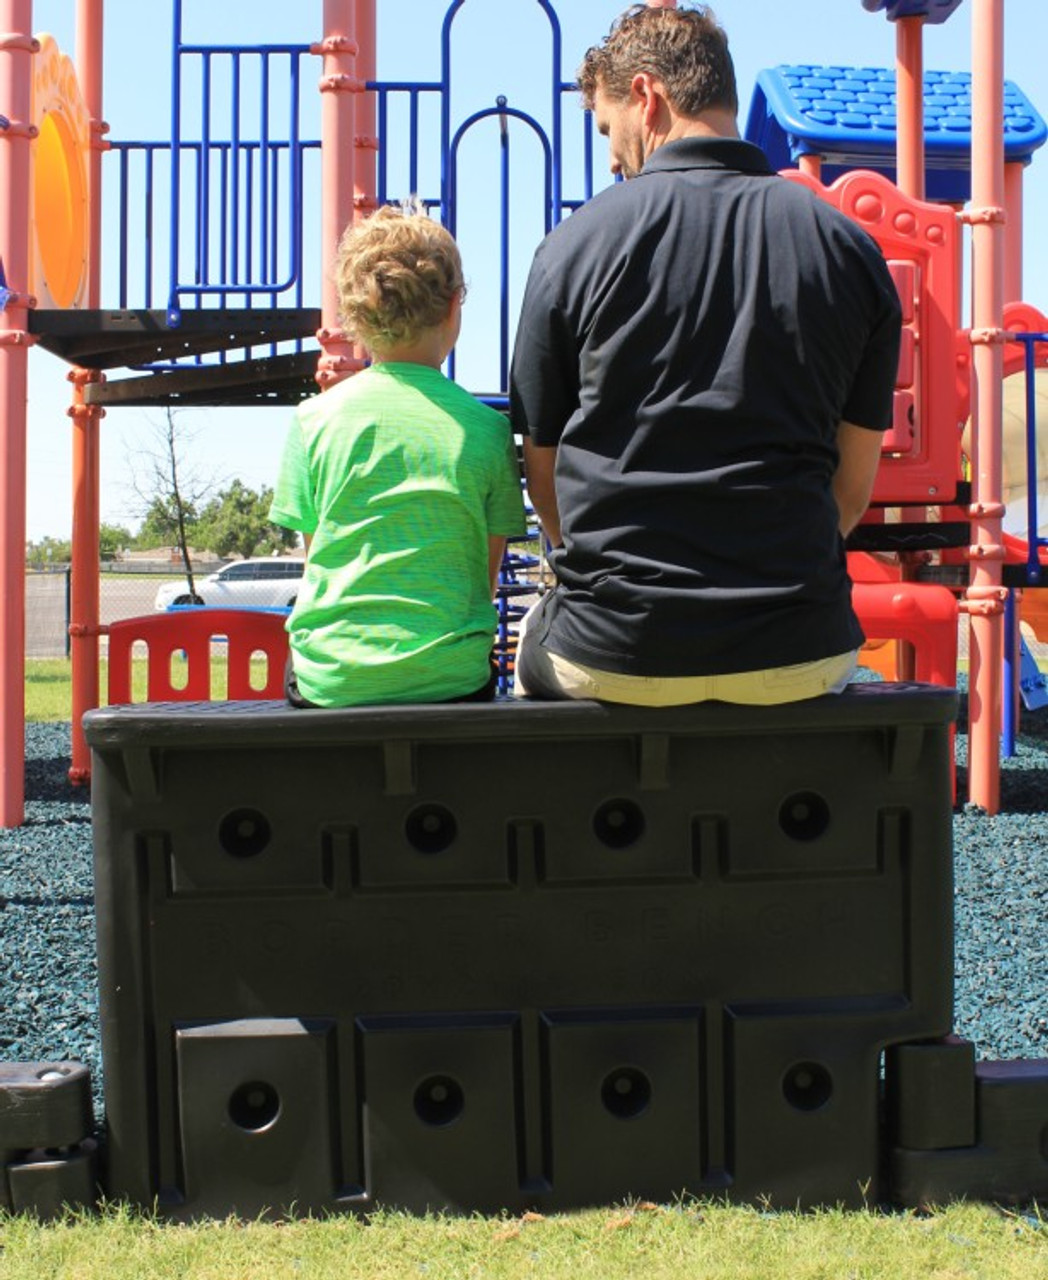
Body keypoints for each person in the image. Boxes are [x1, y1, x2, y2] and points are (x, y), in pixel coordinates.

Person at [509, 3, 902, 707]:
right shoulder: (851, 252)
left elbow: (546, 485)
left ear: (646, 96)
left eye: (607, 128)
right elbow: (849, 493)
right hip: (801, 649)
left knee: (533, 646)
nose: (609, 154)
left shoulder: (570, 249)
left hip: (615, 649)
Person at [270, 205, 527, 707]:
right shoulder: (488, 430)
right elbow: (482, 573)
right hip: (451, 677)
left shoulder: (313, 421)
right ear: (454, 307)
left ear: (356, 317)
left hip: (333, 679)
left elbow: (319, 556)